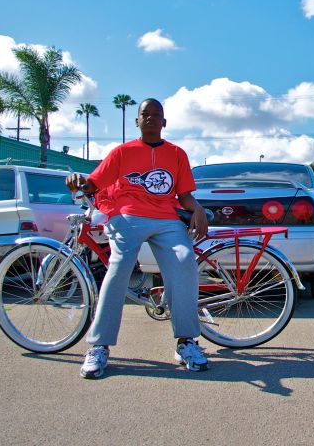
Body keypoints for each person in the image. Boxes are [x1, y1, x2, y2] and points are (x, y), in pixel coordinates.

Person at [66, 98, 209, 379]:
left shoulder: (177, 154)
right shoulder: (122, 152)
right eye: (145, 114)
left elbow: (184, 196)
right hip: (128, 215)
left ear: (164, 122)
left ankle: (186, 343)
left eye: (157, 115)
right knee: (119, 269)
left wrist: (199, 209)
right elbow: (92, 183)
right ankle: (99, 346)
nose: (151, 118)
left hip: (167, 218)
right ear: (137, 120)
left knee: (184, 261)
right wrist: (75, 180)